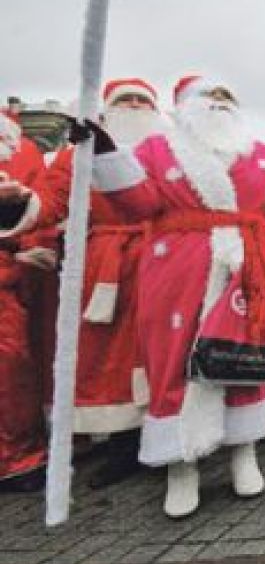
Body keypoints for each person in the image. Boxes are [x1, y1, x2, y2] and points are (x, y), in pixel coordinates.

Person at [88, 75, 265, 518]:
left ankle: (244, 452)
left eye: (225, 96)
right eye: (208, 97)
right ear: (183, 106)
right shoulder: (157, 149)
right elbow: (137, 203)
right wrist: (106, 156)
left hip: (244, 262)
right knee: (173, 357)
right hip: (178, 266)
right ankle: (180, 466)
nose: (218, 103)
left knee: (244, 356)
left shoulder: (258, 152)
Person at [18, 79, 167, 487]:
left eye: (142, 100)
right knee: (109, 357)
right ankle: (123, 444)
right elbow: (49, 201)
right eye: (124, 100)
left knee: (165, 351)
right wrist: (17, 205)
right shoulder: (78, 154)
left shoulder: (168, 151)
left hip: (161, 260)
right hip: (105, 265)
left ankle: (167, 433)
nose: (134, 106)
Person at [0, 111, 48, 492]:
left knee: (12, 369)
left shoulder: (21, 147)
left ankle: (18, 458)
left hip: (9, 278)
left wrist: (28, 253)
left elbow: (42, 209)